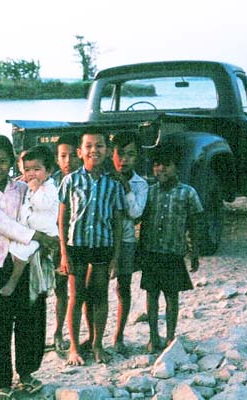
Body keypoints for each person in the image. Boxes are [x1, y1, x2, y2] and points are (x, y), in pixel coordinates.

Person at [0, 133, 57, 399]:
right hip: (0, 264)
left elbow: (42, 204)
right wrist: (38, 237)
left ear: (11, 163)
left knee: (31, 319)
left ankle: (27, 372)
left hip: (29, 261)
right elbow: (3, 223)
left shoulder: (21, 187)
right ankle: (1, 380)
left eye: (2, 161)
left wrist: (47, 235)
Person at [58, 131, 124, 365]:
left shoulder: (113, 185)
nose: (94, 150)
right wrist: (64, 254)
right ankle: (74, 347)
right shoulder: (70, 181)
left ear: (107, 151)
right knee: (77, 297)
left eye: (99, 145)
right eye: (88, 146)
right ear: (80, 151)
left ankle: (97, 344)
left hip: (102, 247)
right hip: (77, 248)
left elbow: (117, 223)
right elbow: (63, 220)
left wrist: (115, 257)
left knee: (100, 297)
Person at [139, 145, 203, 353]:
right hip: (151, 252)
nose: (161, 169)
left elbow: (194, 224)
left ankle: (170, 337)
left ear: (176, 167)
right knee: (151, 295)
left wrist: (194, 252)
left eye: (166, 165)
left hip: (173, 253)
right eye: (157, 165)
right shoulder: (149, 192)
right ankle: (153, 337)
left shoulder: (188, 193)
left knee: (172, 296)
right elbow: (141, 220)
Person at [0, 145, 59, 300]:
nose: (31, 174)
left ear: (48, 171)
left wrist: (36, 190)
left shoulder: (49, 188)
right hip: (32, 232)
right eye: (27, 170)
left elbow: (43, 205)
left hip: (45, 233)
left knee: (22, 253)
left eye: (37, 169)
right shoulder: (29, 187)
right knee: (15, 249)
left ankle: (13, 281)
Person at [110, 131, 149, 354]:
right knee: (93, 290)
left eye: (130, 155)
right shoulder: (103, 178)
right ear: (111, 154)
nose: (124, 159)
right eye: (120, 154)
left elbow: (135, 213)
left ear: (137, 158)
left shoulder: (139, 184)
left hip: (125, 240)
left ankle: (118, 336)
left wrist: (126, 187)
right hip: (101, 239)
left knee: (122, 287)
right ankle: (94, 337)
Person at [50, 133, 81, 352]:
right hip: (53, 243)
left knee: (79, 291)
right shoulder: (48, 182)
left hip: (77, 242)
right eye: (63, 156)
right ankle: (58, 331)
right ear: (57, 159)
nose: (68, 161)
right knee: (59, 290)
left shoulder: (83, 180)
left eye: (72, 155)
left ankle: (77, 337)